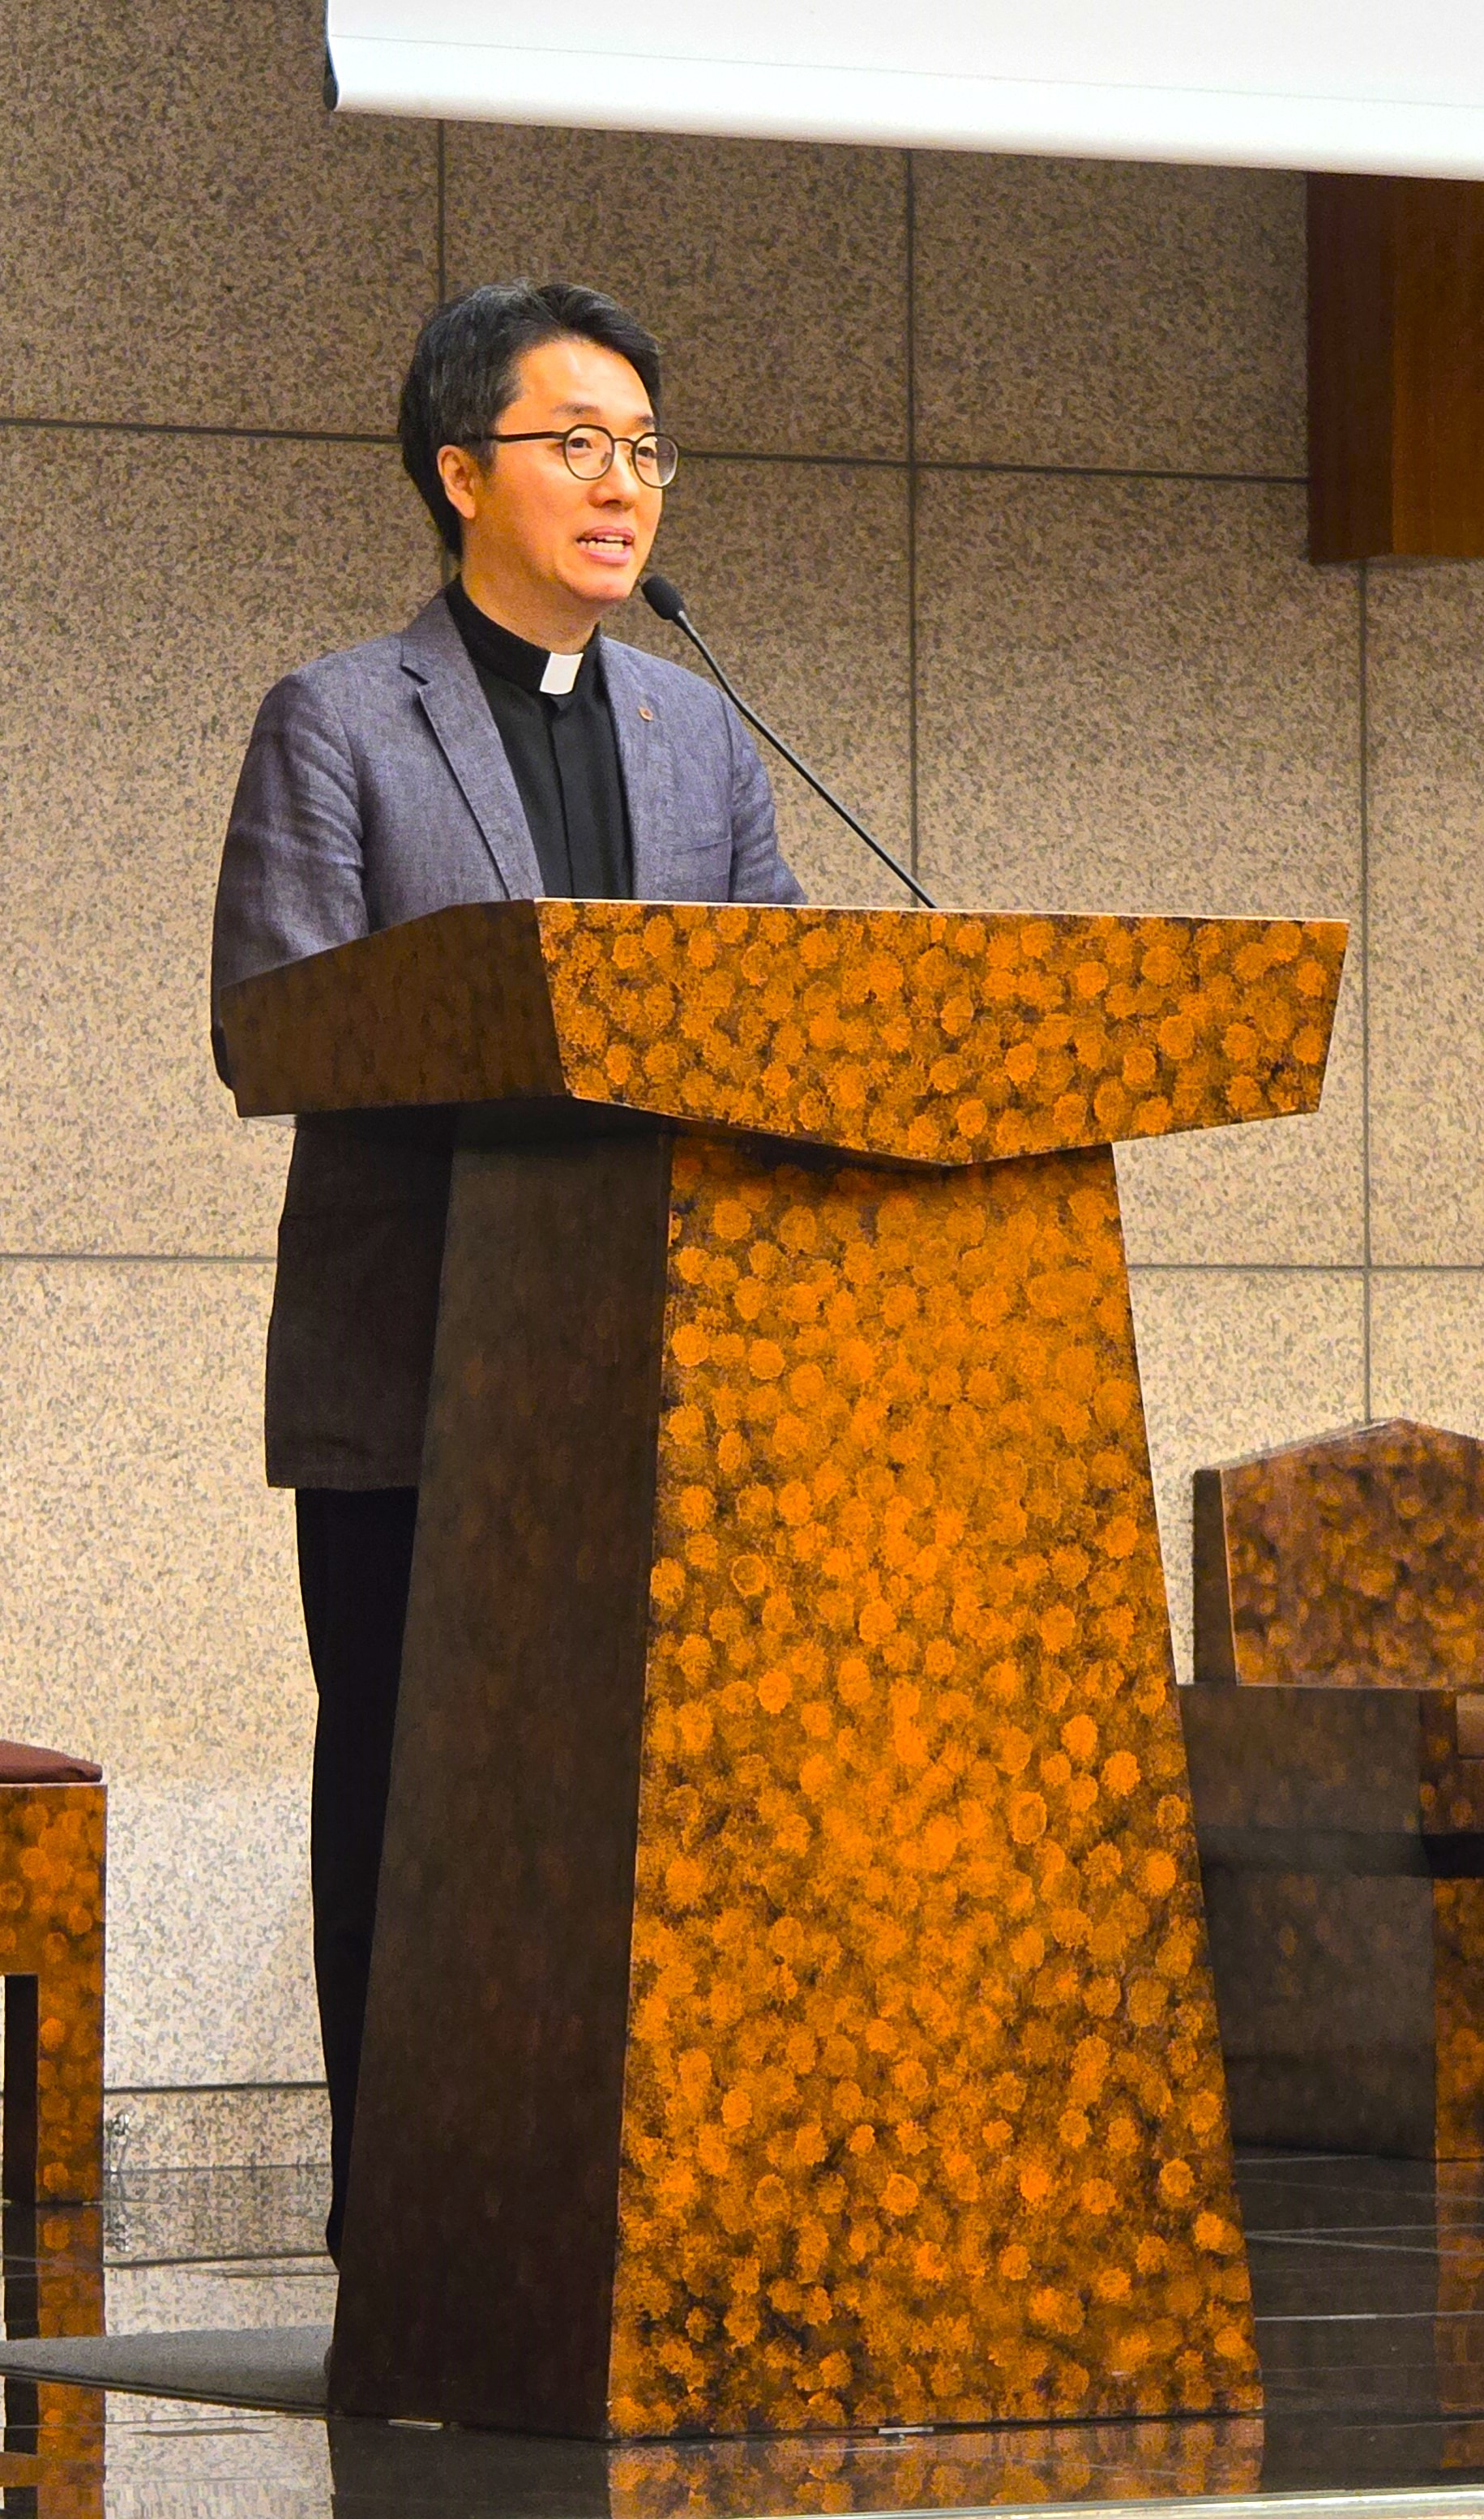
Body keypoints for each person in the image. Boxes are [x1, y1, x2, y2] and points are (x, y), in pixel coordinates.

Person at [211, 280, 804, 2260]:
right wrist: (540, 1030)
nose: (623, 485)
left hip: (667, 1378)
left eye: (643, 449)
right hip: (423, 1377)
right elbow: (275, 1018)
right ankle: (407, 2238)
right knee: (416, 1807)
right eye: (577, 446)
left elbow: (793, 1016)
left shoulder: (696, 728)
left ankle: (647, 2227)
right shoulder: (337, 719)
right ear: (462, 474)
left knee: (662, 1818)